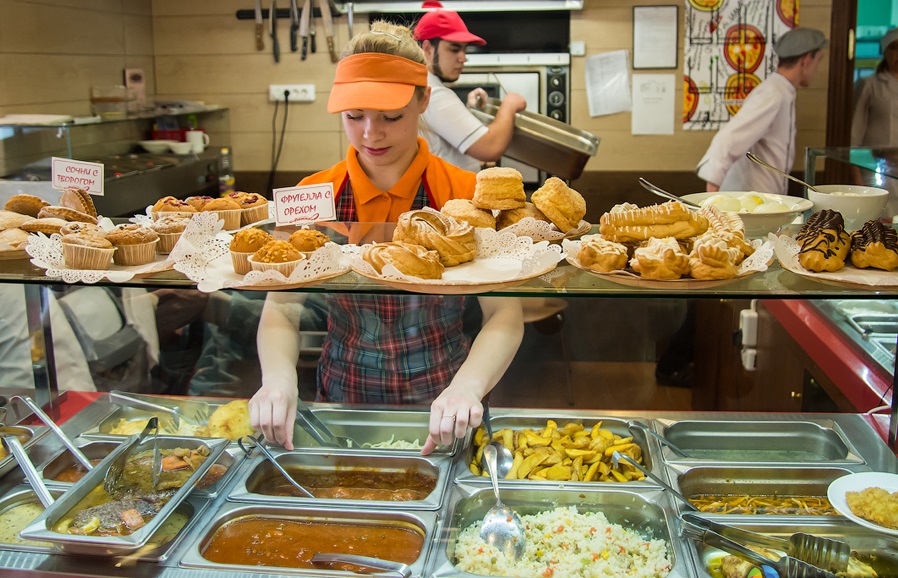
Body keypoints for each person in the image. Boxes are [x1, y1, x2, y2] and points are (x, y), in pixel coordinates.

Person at [249, 21, 524, 456]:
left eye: (390, 117)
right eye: (354, 116)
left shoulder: (464, 194)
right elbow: (281, 308)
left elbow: (505, 315)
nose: (370, 135)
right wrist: (278, 380)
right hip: (343, 394)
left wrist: (466, 389)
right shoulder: (309, 196)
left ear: (424, 102)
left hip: (445, 397)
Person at [696, 27, 828, 194]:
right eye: (819, 60)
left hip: (764, 202)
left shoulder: (783, 91)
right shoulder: (772, 93)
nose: (817, 68)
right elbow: (727, 139)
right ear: (807, 59)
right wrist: (712, 194)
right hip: (748, 205)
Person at [413, 7, 527, 172]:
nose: (463, 57)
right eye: (454, 49)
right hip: (449, 195)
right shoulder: (433, 93)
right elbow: (490, 148)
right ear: (428, 48)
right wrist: (509, 105)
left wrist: (469, 111)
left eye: (464, 49)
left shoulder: (425, 85)